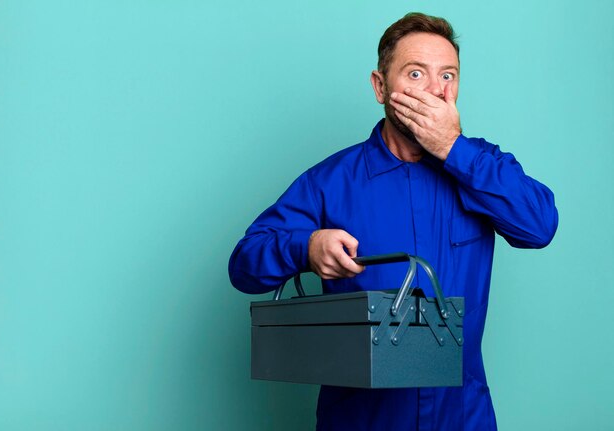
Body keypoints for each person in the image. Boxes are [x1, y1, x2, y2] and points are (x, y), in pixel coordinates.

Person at [228, 12, 558, 431]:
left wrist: (454, 149)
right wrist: (305, 248)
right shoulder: (331, 181)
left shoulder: (482, 165)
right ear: (380, 87)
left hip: (462, 416)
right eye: (416, 74)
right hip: (361, 418)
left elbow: (540, 226)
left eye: (448, 76)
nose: (435, 91)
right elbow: (243, 264)